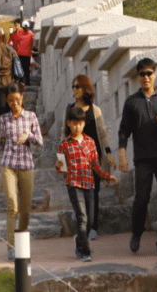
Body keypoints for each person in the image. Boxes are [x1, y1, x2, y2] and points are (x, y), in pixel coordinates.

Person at [117, 58, 157, 257]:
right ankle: (136, 232)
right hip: (142, 158)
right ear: (138, 77)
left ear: (155, 74)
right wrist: (122, 155)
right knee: (141, 199)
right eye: (142, 74)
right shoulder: (131, 102)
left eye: (149, 73)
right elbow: (123, 131)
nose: (146, 77)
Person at [0, 83, 43, 261]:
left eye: (17, 99)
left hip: (26, 166)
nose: (14, 103)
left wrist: (29, 136)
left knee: (25, 211)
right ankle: (11, 247)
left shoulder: (31, 117)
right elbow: (1, 143)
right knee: (12, 206)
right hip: (8, 165)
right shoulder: (4, 119)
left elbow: (40, 142)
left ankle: (21, 241)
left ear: (22, 98)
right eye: (10, 101)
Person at [57, 104, 119, 261]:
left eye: (80, 123)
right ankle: (85, 251)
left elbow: (95, 165)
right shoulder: (64, 144)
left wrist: (106, 176)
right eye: (74, 123)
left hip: (89, 184)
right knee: (82, 217)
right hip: (74, 185)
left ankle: (79, 240)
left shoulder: (90, 142)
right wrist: (60, 168)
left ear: (84, 123)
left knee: (90, 220)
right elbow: (60, 166)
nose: (77, 127)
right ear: (69, 123)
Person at [59, 74, 115, 240]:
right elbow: (63, 133)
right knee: (76, 190)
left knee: (94, 192)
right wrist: (62, 162)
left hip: (93, 157)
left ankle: (92, 227)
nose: (74, 90)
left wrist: (109, 154)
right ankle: (81, 214)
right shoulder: (69, 109)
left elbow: (103, 133)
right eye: (73, 87)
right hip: (74, 158)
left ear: (85, 88)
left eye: (77, 86)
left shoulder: (94, 110)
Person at [10, 20, 37, 86]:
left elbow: (15, 42)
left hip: (20, 54)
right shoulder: (31, 34)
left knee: (21, 69)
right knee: (26, 69)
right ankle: (27, 83)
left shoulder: (19, 33)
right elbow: (34, 43)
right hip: (27, 54)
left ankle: (22, 82)